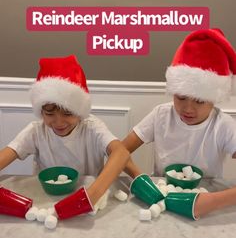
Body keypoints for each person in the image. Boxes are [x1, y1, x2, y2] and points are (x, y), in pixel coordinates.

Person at [122, 28, 236, 220]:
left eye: (199, 100)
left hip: (204, 201)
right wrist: (138, 177)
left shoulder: (223, 125)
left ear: (214, 98)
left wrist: (215, 201)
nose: (188, 108)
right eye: (181, 97)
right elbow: (120, 150)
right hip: (161, 197)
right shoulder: (161, 115)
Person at [0, 55, 129, 219]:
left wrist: (94, 193)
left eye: (68, 113)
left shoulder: (92, 127)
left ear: (80, 111)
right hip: (45, 202)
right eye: (49, 113)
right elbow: (6, 154)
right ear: (41, 111)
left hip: (86, 202)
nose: (59, 122)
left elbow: (121, 153)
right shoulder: (36, 131)